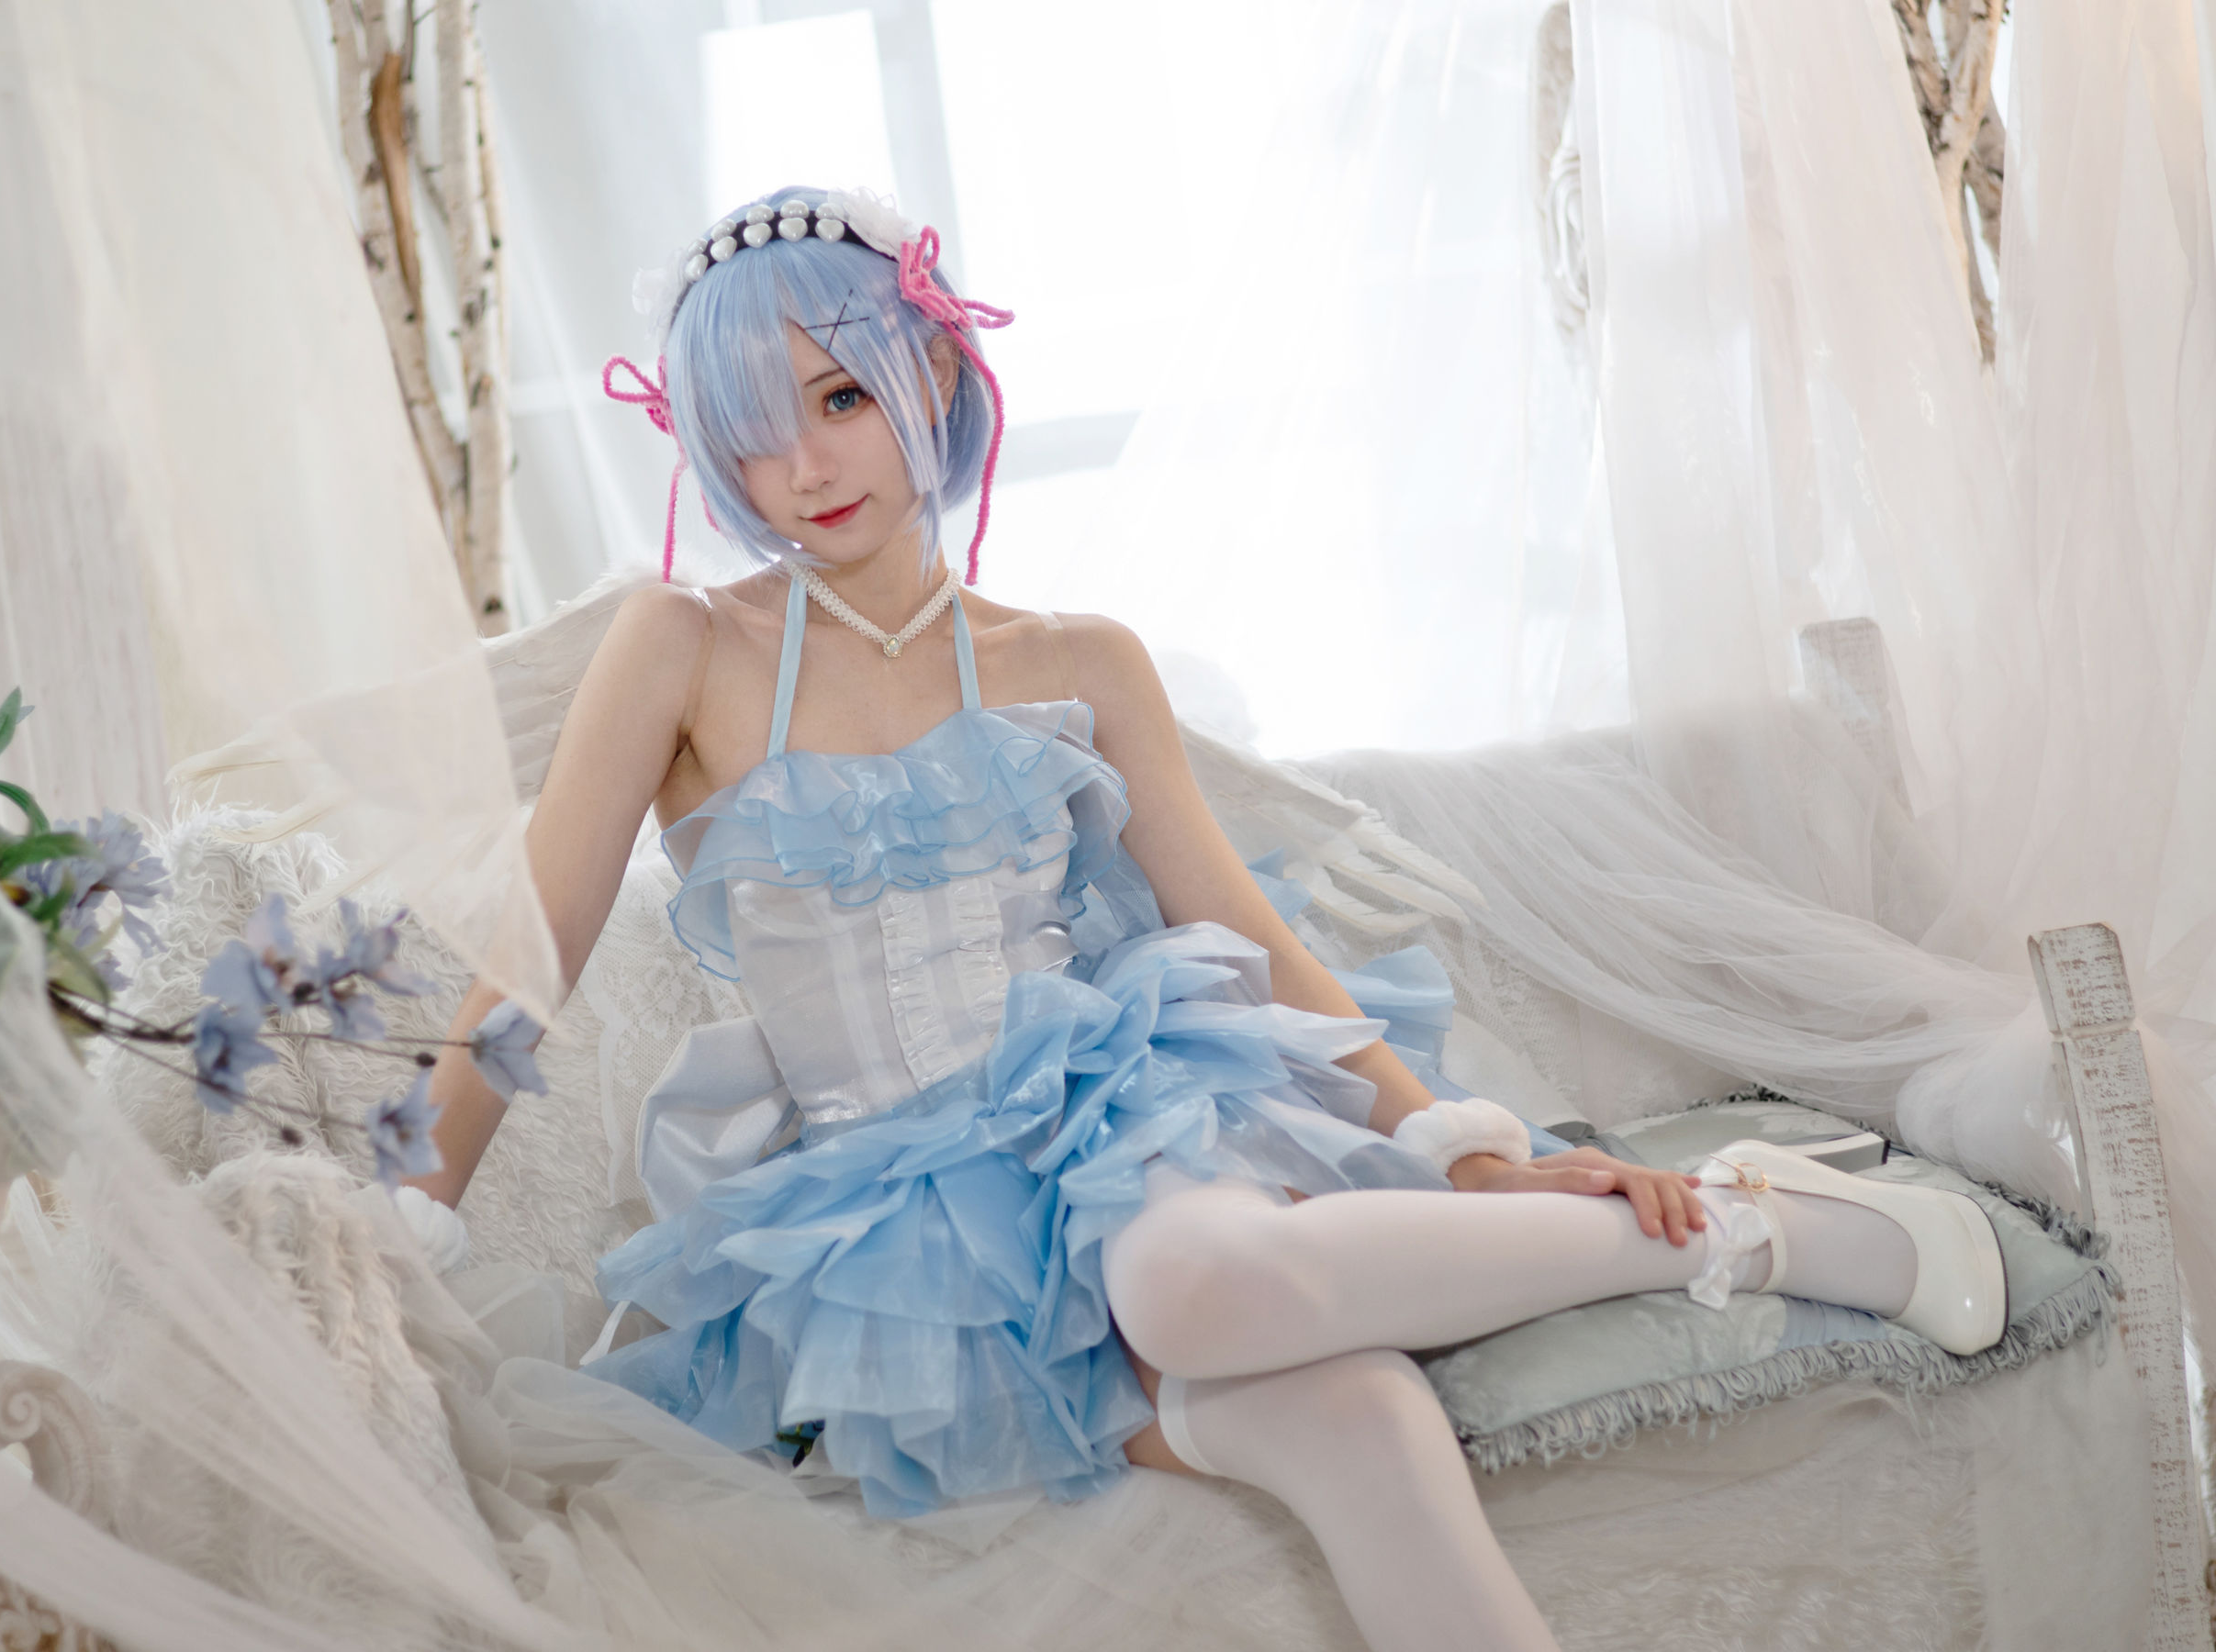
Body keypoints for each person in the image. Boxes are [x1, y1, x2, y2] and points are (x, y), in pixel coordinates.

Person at [410, 186, 2007, 1652]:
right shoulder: (681, 646)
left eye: (840, 401)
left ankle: (1757, 1224)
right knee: (1361, 1423)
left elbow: (1243, 925)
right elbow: (530, 956)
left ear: (936, 375)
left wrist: (1463, 1145)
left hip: (1109, 1127)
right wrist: (402, 1215)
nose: (807, 472)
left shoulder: (1075, 658)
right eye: (754, 437)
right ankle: (1745, 1225)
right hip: (888, 1232)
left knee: (1186, 1290)